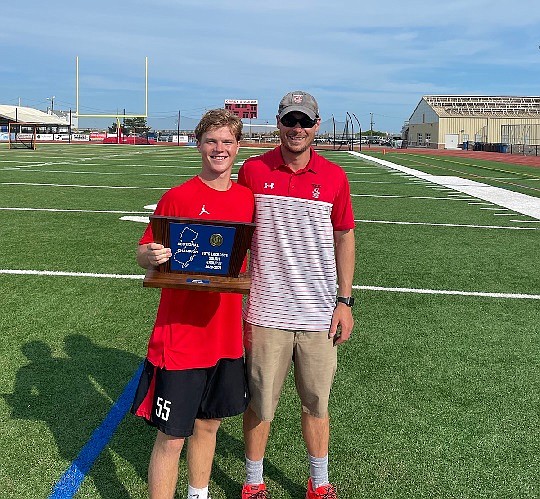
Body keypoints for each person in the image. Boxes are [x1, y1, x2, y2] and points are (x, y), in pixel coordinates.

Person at [131, 108, 255, 499]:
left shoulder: (248, 200)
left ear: (238, 147)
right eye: (212, 141)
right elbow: (144, 250)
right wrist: (148, 256)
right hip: (180, 337)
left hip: (225, 337)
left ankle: (197, 494)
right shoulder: (178, 196)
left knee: (209, 425)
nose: (219, 149)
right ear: (198, 144)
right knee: (171, 437)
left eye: (227, 142)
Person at [237, 91, 356, 499]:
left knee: (317, 404)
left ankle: (318, 482)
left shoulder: (335, 177)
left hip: (319, 314)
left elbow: (344, 236)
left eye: (305, 121)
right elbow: (236, 230)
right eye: (291, 120)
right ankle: (253, 481)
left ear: (317, 126)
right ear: (279, 122)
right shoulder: (253, 171)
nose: (297, 129)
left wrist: (345, 301)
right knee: (260, 405)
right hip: (266, 311)